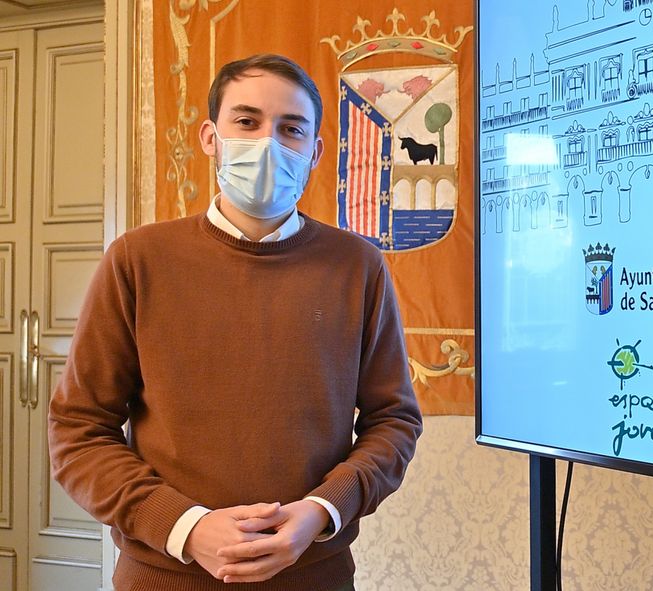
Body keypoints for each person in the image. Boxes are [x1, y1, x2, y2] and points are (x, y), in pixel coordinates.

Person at [48, 54, 423, 591]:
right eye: (247, 122)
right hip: (162, 578)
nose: (268, 143)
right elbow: (78, 431)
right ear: (211, 137)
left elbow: (394, 421)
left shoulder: (357, 267)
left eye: (291, 129)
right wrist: (185, 526)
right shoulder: (138, 260)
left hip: (314, 577)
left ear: (315, 151)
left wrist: (322, 510)